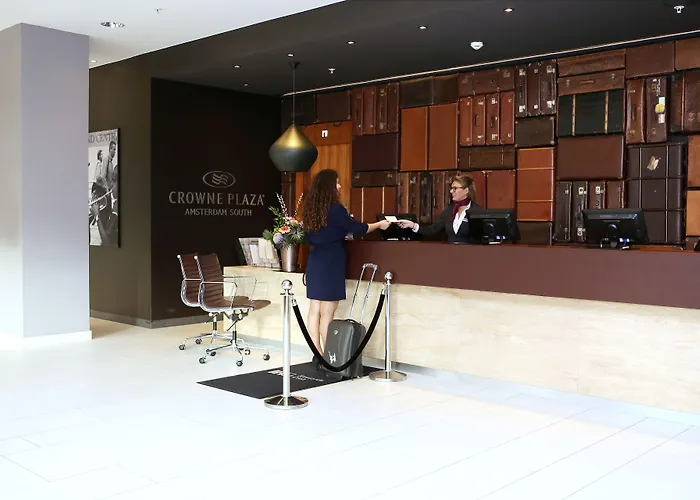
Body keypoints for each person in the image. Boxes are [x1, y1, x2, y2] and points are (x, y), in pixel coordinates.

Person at [300, 169, 391, 367]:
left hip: (315, 261)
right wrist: (379, 224)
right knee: (328, 313)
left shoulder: (311, 209)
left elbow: (307, 237)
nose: (340, 186)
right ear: (329, 186)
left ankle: (318, 353)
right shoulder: (336, 209)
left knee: (314, 310)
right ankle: (329, 357)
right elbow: (360, 228)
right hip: (331, 263)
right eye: (337, 182)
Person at [397, 173, 481, 243]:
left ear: (466, 190)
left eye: (455, 188)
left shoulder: (478, 212)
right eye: (451, 188)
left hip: (469, 255)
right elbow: (432, 230)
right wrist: (412, 225)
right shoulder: (449, 210)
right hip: (450, 254)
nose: (451, 191)